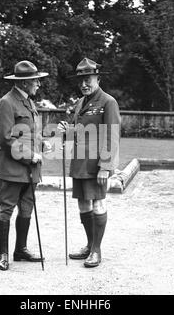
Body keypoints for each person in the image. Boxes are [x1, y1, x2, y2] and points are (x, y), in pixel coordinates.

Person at [57, 58, 121, 268]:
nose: (84, 84)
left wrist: (105, 166)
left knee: (98, 204)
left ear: (98, 78)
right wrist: (68, 131)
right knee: (83, 204)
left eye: (88, 80)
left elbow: (112, 135)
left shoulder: (108, 102)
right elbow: (80, 133)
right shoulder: (79, 103)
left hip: (97, 164)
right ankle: (89, 244)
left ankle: (96, 250)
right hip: (80, 162)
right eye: (81, 81)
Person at [0, 60, 48, 271]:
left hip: (31, 170)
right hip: (12, 169)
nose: (38, 84)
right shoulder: (7, 102)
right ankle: (3, 255)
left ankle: (20, 250)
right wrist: (30, 156)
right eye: (35, 81)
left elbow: (31, 133)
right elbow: (5, 138)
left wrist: (43, 144)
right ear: (24, 83)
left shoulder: (29, 102)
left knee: (26, 209)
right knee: (7, 209)